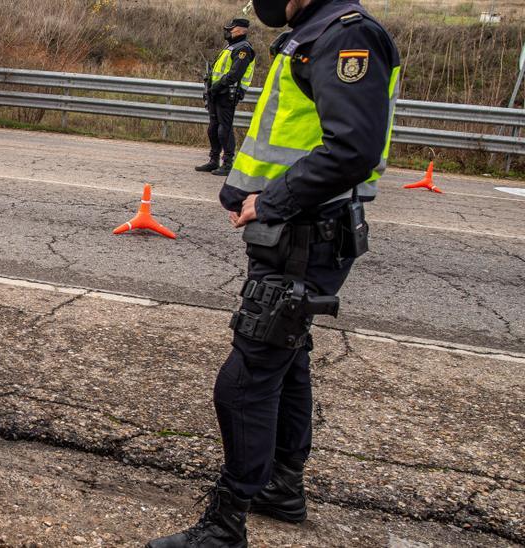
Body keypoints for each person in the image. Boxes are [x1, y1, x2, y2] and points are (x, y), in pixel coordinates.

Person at [149, 0, 400, 546]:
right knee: (286, 362)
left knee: (245, 379)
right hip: (299, 232)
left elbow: (353, 148)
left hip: (308, 232)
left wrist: (272, 200)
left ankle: (225, 523)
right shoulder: (315, 33)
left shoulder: (344, 37)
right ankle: (280, 486)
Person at [196, 18, 256, 177]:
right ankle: (213, 160)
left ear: (241, 30)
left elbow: (235, 74)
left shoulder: (243, 49)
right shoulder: (231, 46)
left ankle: (228, 163)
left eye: (231, 29)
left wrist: (218, 86)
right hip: (216, 93)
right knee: (213, 128)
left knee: (224, 129)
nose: (227, 31)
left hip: (227, 94)